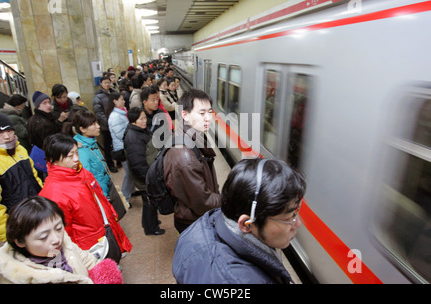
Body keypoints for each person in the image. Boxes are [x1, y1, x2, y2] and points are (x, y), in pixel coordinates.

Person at [172, 158, 306, 284]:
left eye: (296, 213)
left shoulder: (207, 223)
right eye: (289, 218)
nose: (297, 223)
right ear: (246, 224)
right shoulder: (238, 280)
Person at [39, 133, 132, 257]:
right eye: (70, 156)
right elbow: (63, 234)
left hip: (102, 232)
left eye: (76, 153)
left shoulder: (81, 172)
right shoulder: (53, 194)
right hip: (88, 247)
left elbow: (100, 199)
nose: (76, 159)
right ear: (53, 159)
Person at [0, 196, 101, 284]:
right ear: (20, 241)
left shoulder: (65, 242)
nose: (56, 239)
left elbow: (86, 260)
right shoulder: (19, 278)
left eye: (59, 228)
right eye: (43, 237)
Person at [164, 89, 221, 234]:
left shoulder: (191, 138)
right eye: (202, 113)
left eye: (210, 112)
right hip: (194, 222)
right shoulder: (185, 156)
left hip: (196, 217)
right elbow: (202, 202)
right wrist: (229, 200)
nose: (208, 118)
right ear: (185, 115)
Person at [0, 112, 42, 241]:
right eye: (0, 133)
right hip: (20, 228)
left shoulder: (19, 149)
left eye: (10, 131)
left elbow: (35, 179)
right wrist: (10, 237)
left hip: (40, 214)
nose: (7, 137)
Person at [123, 107, 164, 235]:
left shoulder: (139, 131)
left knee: (149, 202)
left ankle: (149, 223)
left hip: (147, 174)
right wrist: (149, 178)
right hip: (145, 177)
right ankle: (151, 229)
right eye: (141, 119)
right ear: (133, 121)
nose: (144, 121)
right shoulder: (134, 137)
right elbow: (138, 163)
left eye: (145, 117)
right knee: (149, 202)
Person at [72, 110, 110, 197]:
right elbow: (87, 180)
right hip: (99, 194)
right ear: (82, 129)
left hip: (104, 188)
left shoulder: (91, 141)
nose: (98, 126)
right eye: (93, 124)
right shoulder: (81, 151)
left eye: (97, 123)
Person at [107, 92, 135, 202]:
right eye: (121, 99)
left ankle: (131, 191)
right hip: (123, 148)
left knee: (131, 172)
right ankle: (124, 197)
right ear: (115, 101)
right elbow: (120, 135)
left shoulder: (122, 113)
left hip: (125, 146)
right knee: (129, 173)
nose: (124, 101)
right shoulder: (115, 116)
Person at [93, 76, 118, 173]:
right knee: (108, 146)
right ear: (101, 84)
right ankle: (110, 164)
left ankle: (119, 160)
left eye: (108, 82)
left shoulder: (113, 92)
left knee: (116, 143)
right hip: (106, 126)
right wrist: (108, 122)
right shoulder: (98, 97)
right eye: (105, 83)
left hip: (116, 123)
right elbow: (99, 113)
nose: (107, 84)